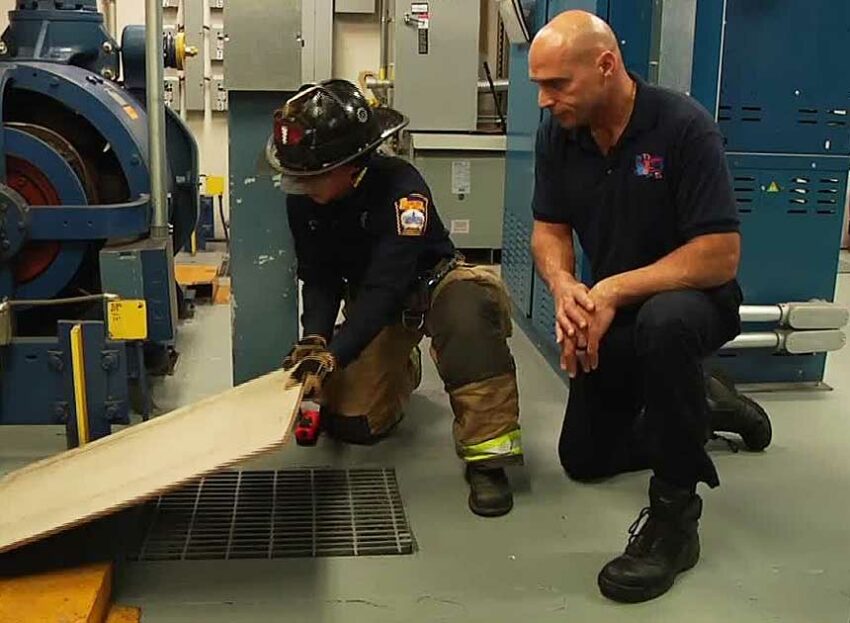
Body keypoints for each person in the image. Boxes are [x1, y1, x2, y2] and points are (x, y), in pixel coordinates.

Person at [528, 10, 772, 603]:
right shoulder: (560, 133)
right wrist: (565, 287)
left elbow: (719, 256)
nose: (544, 100)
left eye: (557, 84)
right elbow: (549, 229)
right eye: (540, 84)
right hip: (619, 307)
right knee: (585, 459)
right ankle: (701, 406)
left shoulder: (683, 128)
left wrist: (609, 290)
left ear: (606, 65)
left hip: (695, 303)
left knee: (665, 324)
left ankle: (674, 518)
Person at [271, 79, 523, 517]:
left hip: (432, 285)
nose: (299, 185)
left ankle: (488, 459)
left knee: (468, 313)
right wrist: (315, 340)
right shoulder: (305, 200)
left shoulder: (403, 189)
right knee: (353, 425)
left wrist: (338, 353)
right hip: (375, 305)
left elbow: (388, 285)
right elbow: (320, 276)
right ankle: (405, 366)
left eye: (311, 176)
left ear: (351, 166)